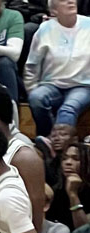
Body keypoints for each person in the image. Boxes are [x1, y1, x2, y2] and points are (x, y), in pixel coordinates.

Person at [24, 0, 90, 137]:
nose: (70, 1)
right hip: (51, 84)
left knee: (67, 109)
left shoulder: (88, 25)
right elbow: (32, 65)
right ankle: (47, 140)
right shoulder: (44, 29)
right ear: (53, 11)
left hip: (82, 85)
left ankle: (61, 150)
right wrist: (31, 89)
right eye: (62, 0)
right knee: (36, 98)